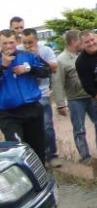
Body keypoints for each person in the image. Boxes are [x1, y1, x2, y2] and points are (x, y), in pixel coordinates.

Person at [0, 28, 50, 163]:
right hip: (8, 113)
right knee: (18, 149)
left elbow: (47, 71)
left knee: (38, 148)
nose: (8, 46)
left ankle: (42, 179)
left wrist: (28, 69)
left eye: (11, 42)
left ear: (16, 42)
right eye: (4, 43)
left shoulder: (27, 55)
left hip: (32, 108)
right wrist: (3, 66)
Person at [51, 29, 97, 163]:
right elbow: (57, 83)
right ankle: (85, 156)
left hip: (92, 95)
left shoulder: (84, 54)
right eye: (81, 41)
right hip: (75, 99)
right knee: (79, 129)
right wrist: (60, 104)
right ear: (74, 42)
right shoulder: (61, 60)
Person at [19, 29, 63, 167]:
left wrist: (37, 57)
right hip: (27, 95)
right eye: (24, 42)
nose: (27, 45)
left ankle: (52, 155)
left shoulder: (45, 50)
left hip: (42, 93)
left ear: (37, 40)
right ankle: (37, 159)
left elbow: (54, 68)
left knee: (47, 126)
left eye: (30, 42)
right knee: (30, 130)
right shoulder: (18, 51)